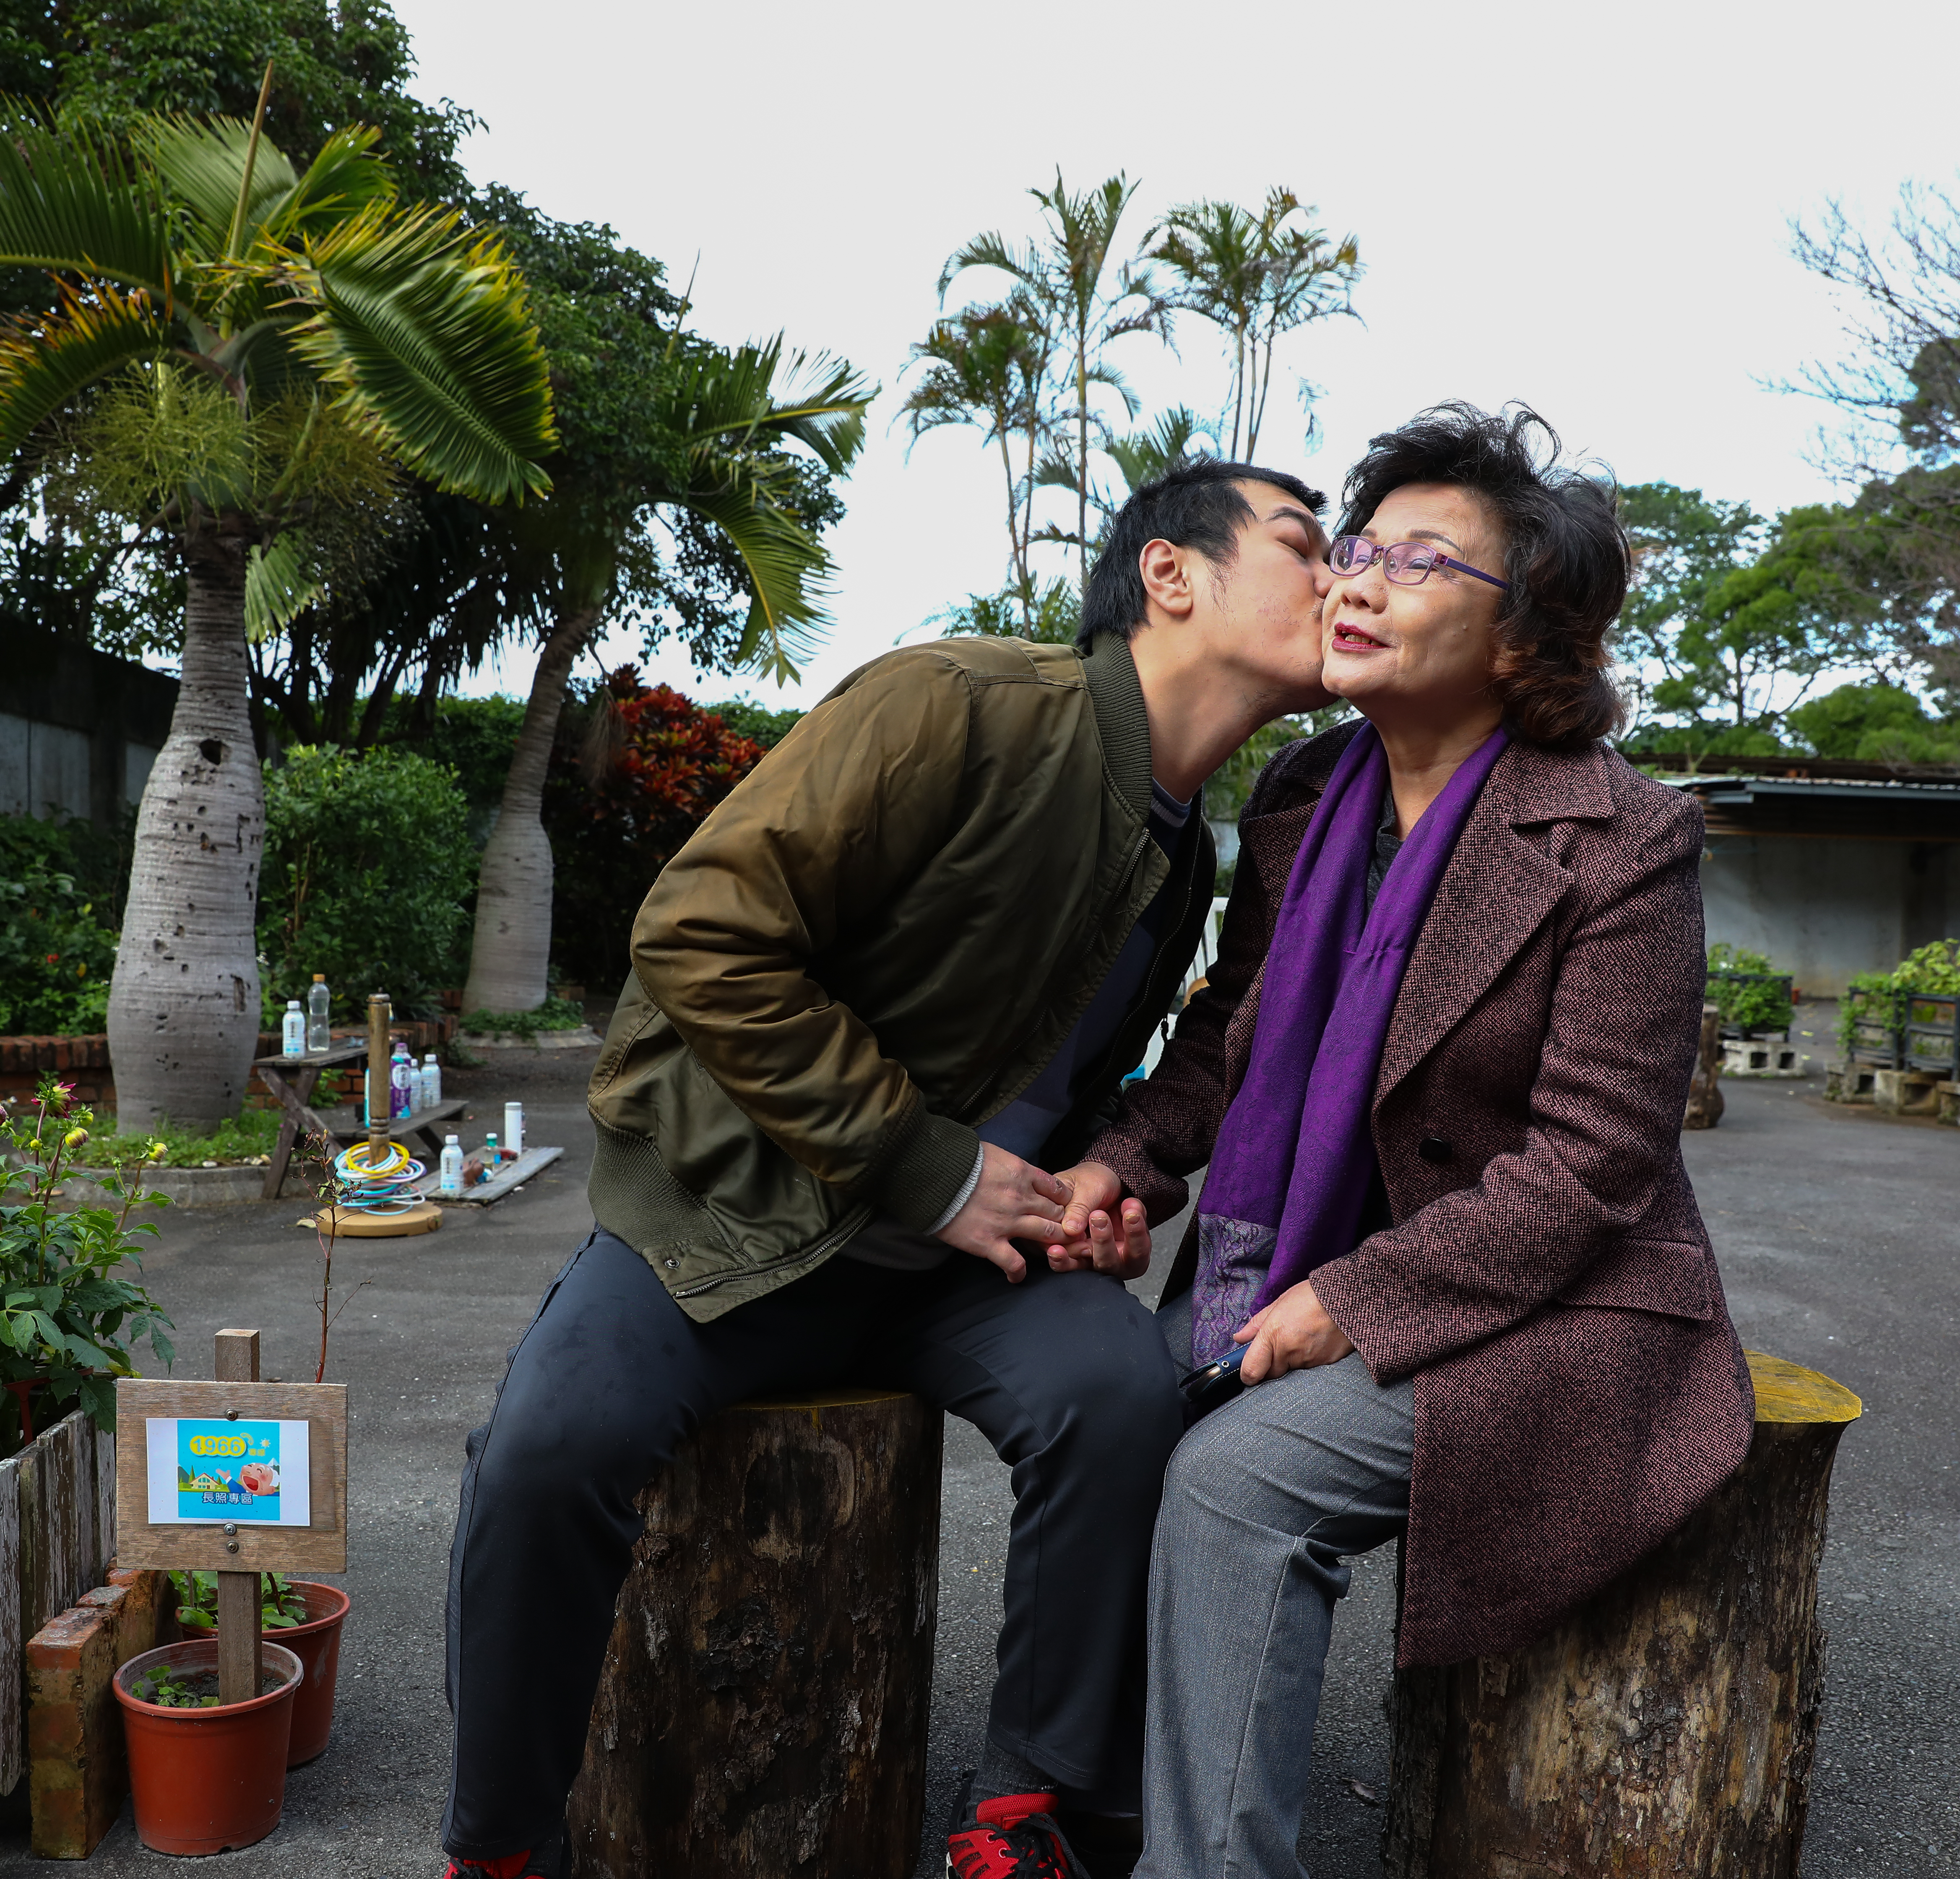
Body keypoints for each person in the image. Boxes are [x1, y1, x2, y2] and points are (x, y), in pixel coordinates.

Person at [439, 461, 1342, 1879]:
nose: (1341, 575)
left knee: (1120, 1396)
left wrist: (1098, 1178)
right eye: (1304, 543)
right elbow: (701, 933)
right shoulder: (961, 705)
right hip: (739, 1216)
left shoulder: (1183, 850)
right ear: (1171, 574)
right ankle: (498, 1851)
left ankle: (1029, 1806)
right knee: (552, 1448)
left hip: (962, 1269)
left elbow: (1084, 1068)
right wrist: (929, 1172)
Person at [1059, 404, 1756, 1877]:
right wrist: (1124, 1162)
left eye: (1421, 562)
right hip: (1301, 1250)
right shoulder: (1306, 796)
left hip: (1553, 1306)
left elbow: (1593, 1166)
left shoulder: (1622, 837)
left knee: (1239, 1483)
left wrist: (1356, 1301)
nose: (1359, 582)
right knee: (1113, 1410)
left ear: (1522, 637)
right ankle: (1064, 1799)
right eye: (1359, 550)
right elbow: (1230, 1033)